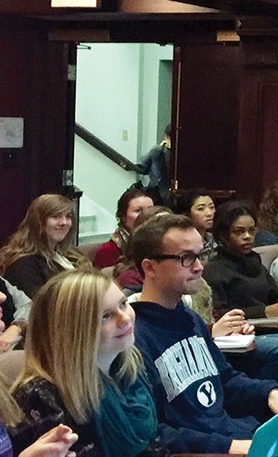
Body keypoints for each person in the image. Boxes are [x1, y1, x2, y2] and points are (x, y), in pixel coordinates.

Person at [127, 214, 278, 454]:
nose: (199, 267)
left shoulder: (189, 318)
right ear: (149, 267)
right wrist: (229, 446)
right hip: (208, 449)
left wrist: (268, 392)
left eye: (199, 256)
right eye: (186, 258)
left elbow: (225, 379)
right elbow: (154, 433)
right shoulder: (134, 338)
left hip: (234, 433)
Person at [9, 270, 167, 457]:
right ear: (72, 333)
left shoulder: (132, 366)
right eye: (105, 316)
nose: (124, 318)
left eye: (123, 304)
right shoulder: (41, 398)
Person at [203, 201, 278, 420]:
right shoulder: (215, 269)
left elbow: (274, 293)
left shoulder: (254, 261)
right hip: (239, 334)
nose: (247, 237)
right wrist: (264, 312)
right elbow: (221, 313)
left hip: (269, 325)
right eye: (239, 232)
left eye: (252, 231)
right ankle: (270, 411)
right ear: (223, 235)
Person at [0, 195, 92, 298]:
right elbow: (38, 309)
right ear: (38, 222)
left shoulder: (71, 253)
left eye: (68, 216)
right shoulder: (22, 266)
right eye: (56, 216)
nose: (64, 222)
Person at [93, 187, 152, 270]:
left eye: (150, 209)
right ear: (123, 217)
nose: (146, 215)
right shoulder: (108, 251)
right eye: (138, 210)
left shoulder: (159, 244)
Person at [0, 274, 30, 353]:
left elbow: (28, 305)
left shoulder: (2, 282)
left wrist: (16, 327)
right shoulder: (22, 269)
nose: (3, 297)